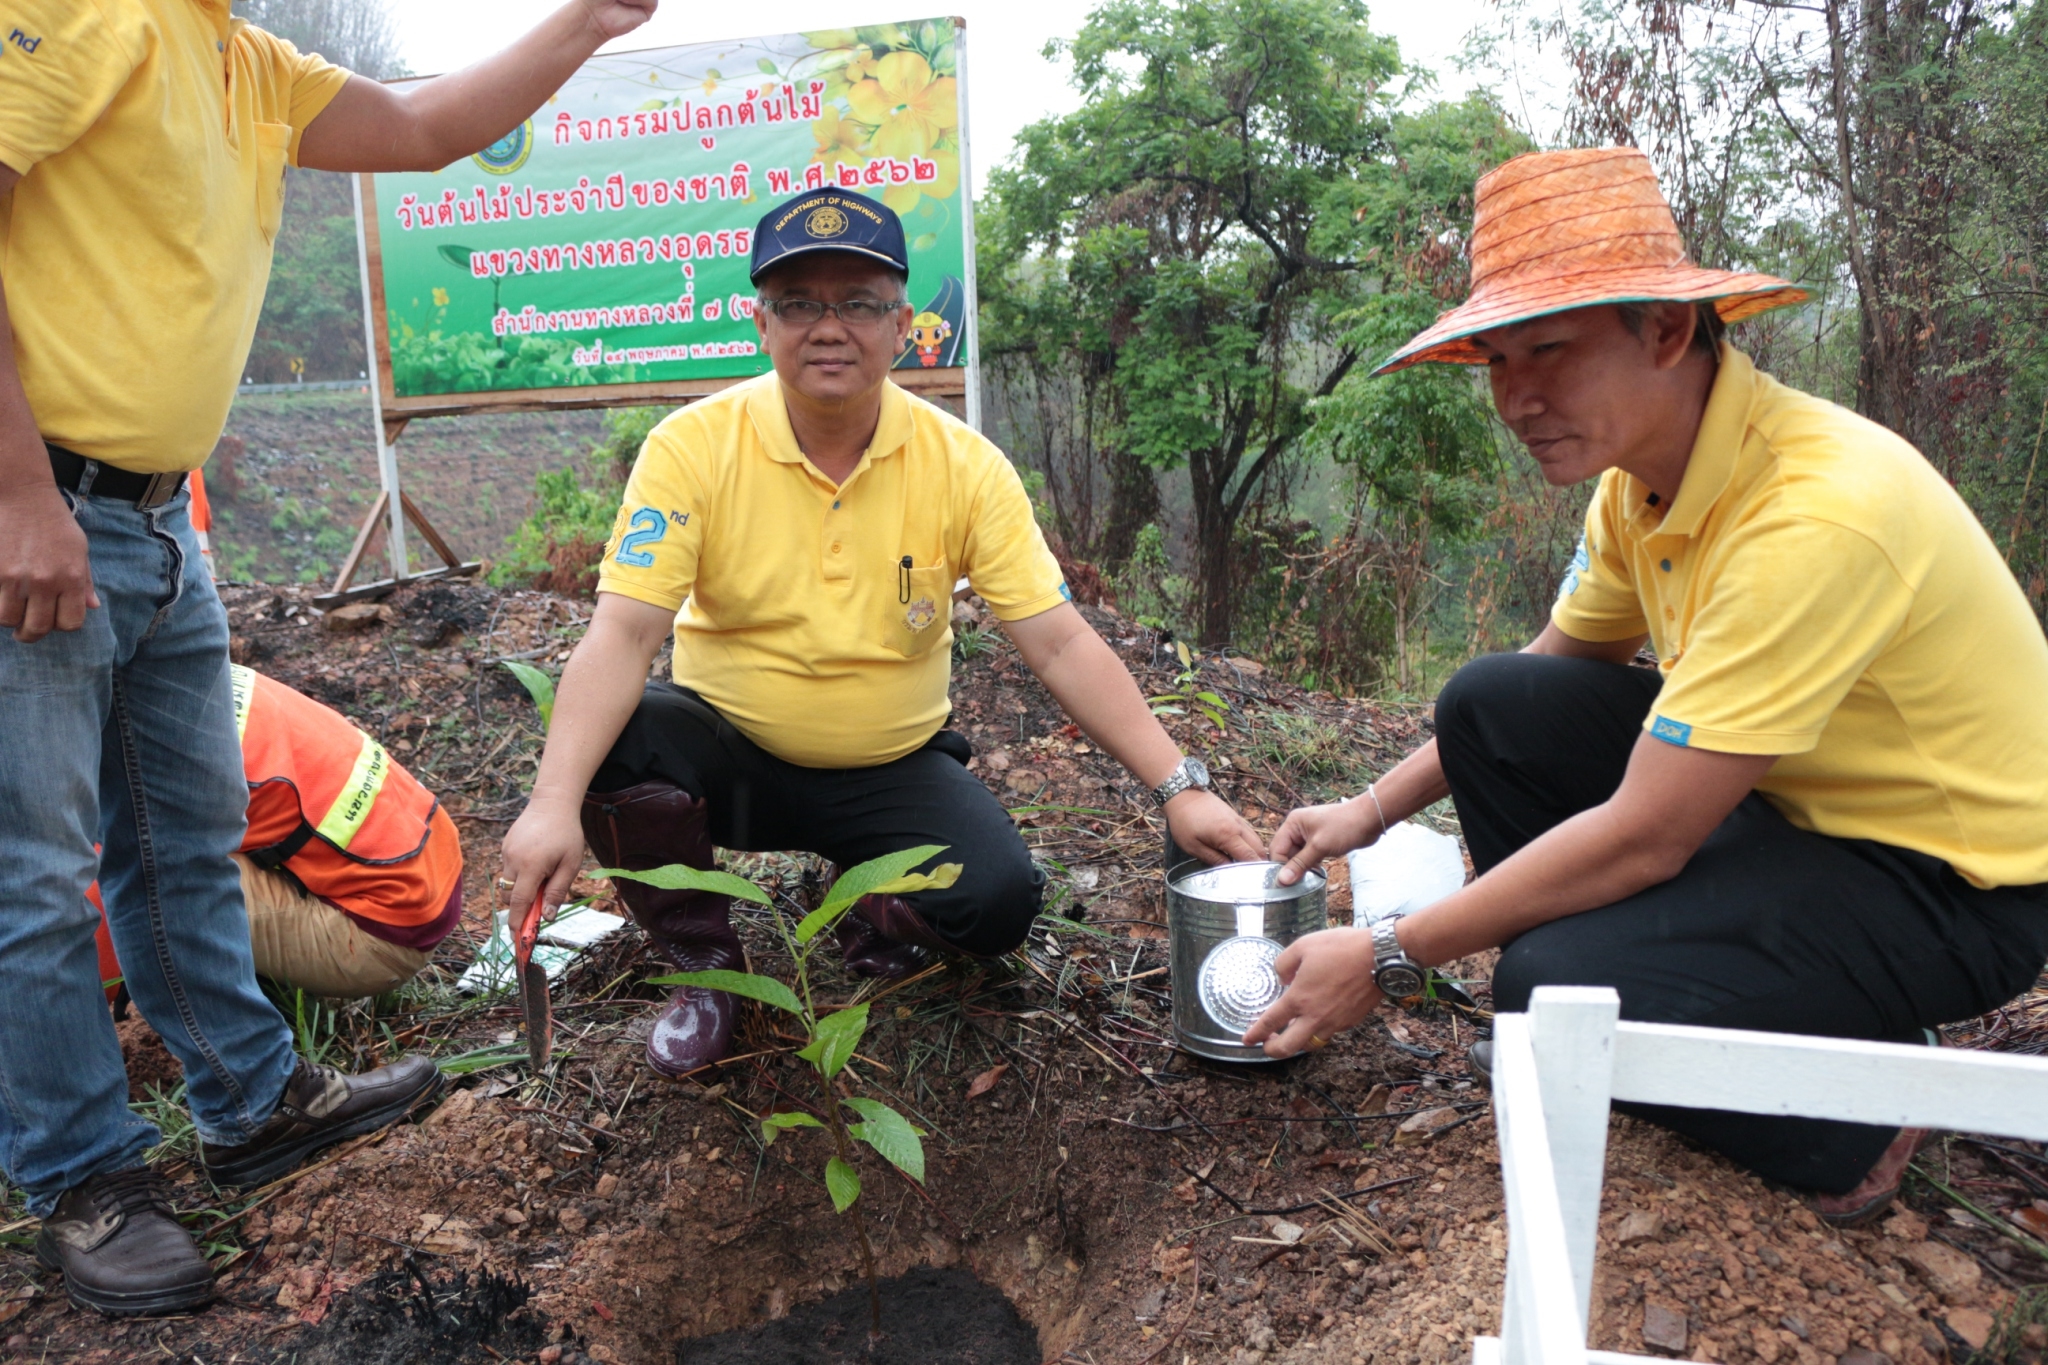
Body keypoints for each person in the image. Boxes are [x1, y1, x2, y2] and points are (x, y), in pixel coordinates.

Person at [0, 0, 659, 1317]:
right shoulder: (78, 13)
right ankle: (83, 1177)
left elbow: (419, 125)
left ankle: (252, 1103)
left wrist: (589, 21)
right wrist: (20, 497)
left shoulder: (242, 58)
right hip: (44, 508)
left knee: (183, 839)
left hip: (154, 522)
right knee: (32, 873)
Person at [1249, 147, 2048, 1225]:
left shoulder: (1812, 515)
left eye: (1548, 350)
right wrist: (1370, 807)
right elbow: (1549, 675)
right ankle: (1665, 990)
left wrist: (1387, 954)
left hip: (1950, 889)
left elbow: (1648, 836)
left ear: (1666, 331)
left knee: (1545, 984)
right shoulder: (1640, 488)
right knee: (1490, 705)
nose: (1517, 398)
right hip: (1791, 812)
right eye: (1496, 362)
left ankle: (1854, 1118)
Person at [501, 187, 1264, 1080]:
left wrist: (1177, 786)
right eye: (799, 303)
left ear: (901, 325)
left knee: (998, 901)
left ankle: (871, 907)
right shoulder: (692, 447)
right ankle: (708, 972)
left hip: (889, 768)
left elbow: (1059, 641)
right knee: (618, 739)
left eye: (859, 303)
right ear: (762, 322)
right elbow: (624, 636)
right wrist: (553, 801)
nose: (830, 327)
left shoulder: (965, 466)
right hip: (732, 757)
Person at [93, 664, 465, 1001]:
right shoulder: (184, 665)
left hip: (380, 935)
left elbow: (115, 873)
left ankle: (237, 1033)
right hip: (431, 871)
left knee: (138, 868)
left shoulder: (155, 751)